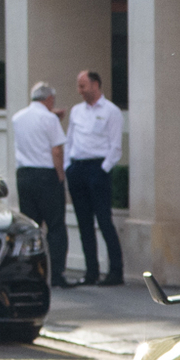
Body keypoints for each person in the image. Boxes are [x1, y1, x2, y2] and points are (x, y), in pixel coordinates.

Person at [65, 69, 125, 286]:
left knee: (103, 220)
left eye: (83, 85)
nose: (80, 90)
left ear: (95, 85)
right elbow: (69, 139)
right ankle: (91, 271)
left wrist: (103, 169)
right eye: (79, 86)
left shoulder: (111, 111)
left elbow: (115, 146)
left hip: (97, 167)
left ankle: (115, 271)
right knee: (84, 223)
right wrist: (67, 166)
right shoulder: (76, 111)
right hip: (78, 166)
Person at [10, 82, 71, 286]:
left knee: (30, 226)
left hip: (24, 174)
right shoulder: (50, 119)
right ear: (49, 99)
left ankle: (31, 271)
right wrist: (60, 176)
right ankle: (56, 273)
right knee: (55, 226)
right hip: (46, 174)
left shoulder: (18, 118)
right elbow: (56, 150)